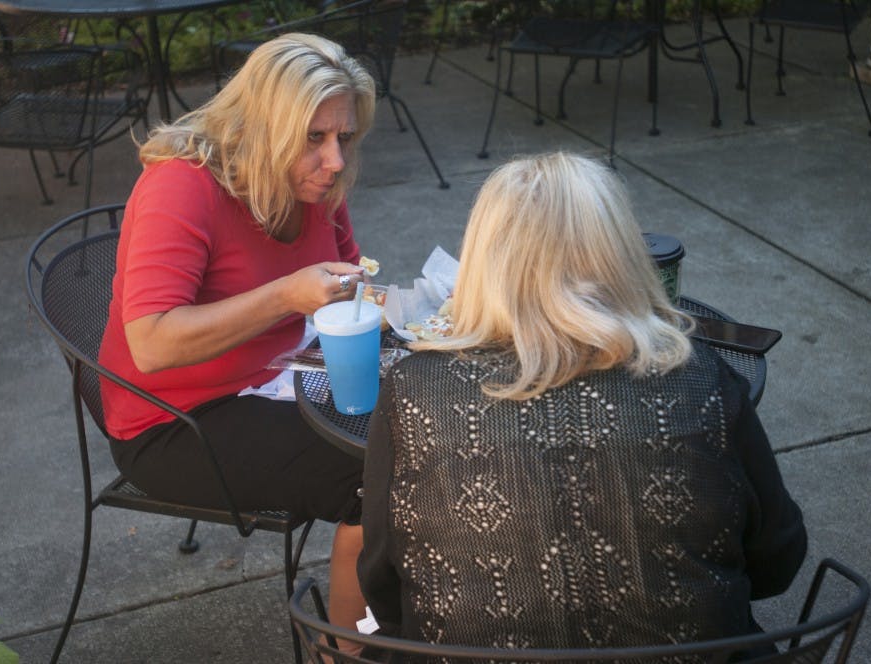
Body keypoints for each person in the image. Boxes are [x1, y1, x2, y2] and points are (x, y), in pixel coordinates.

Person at [358, 152, 807, 652]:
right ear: (620, 254)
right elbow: (776, 563)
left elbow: (384, 591)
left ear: (484, 260)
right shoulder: (702, 378)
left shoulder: (413, 389)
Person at [99, 32, 376, 637]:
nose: (334, 160)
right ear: (265, 127)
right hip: (174, 420)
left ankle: (404, 621)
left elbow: (354, 286)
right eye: (314, 138)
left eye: (344, 138)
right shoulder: (183, 184)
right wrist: (284, 296)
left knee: (431, 430)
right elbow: (150, 343)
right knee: (378, 477)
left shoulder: (317, 185)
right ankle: (359, 648)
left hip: (281, 377)